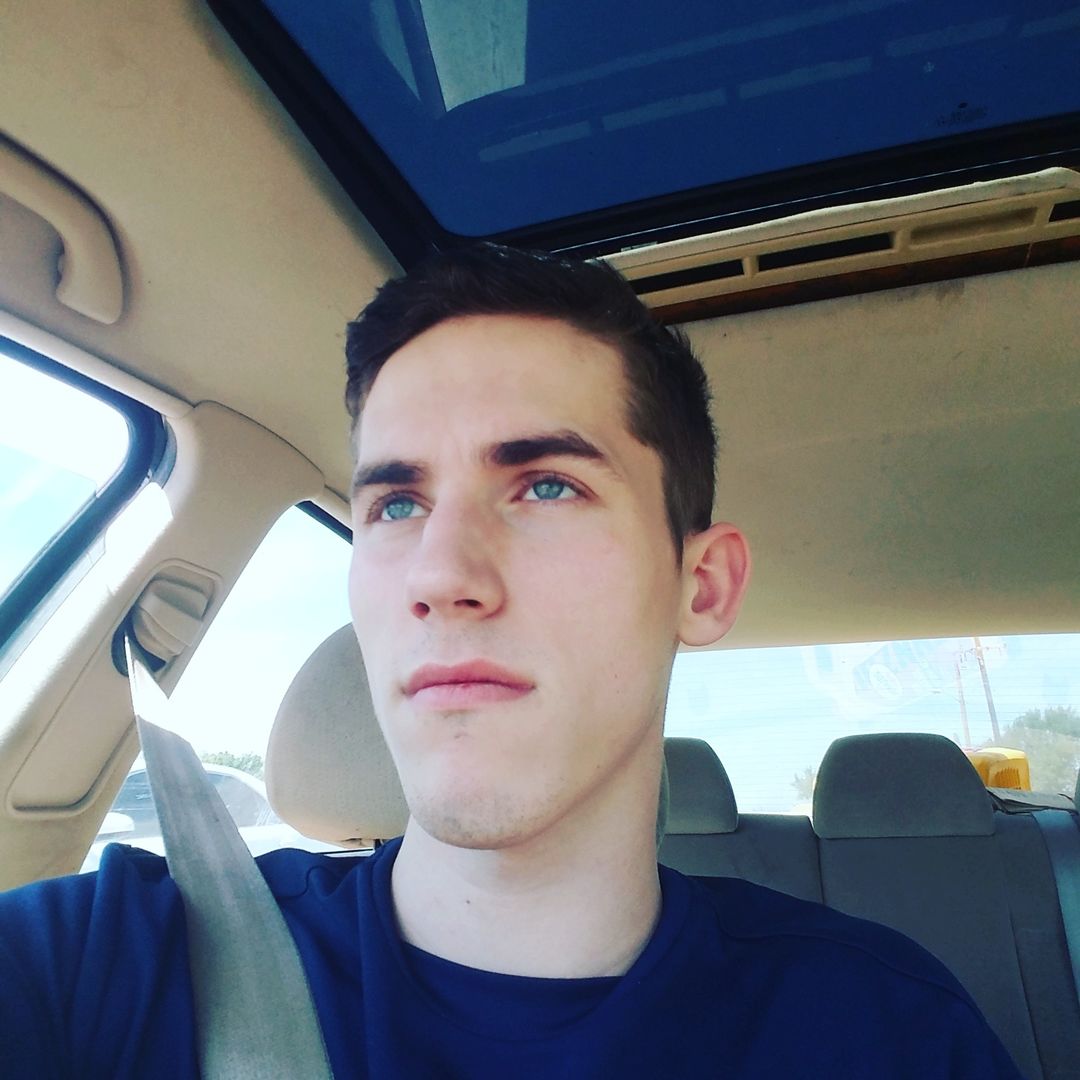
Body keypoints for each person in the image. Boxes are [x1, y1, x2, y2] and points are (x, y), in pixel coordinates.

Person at [0, 245, 1023, 1077]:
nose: (441, 574)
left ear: (702, 586)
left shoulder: (889, 1035)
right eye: (396, 503)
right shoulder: (97, 968)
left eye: (546, 487)